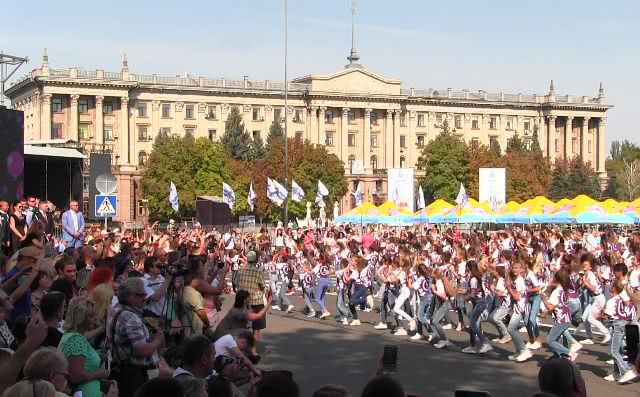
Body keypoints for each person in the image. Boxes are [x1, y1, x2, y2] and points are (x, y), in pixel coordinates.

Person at [107, 277, 164, 397]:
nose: (144, 298)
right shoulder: (130, 317)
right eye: (140, 295)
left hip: (122, 371)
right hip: (134, 376)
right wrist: (158, 340)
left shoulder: (115, 310)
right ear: (128, 296)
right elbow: (141, 350)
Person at [58, 296, 110, 397]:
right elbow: (75, 376)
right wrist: (100, 374)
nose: (94, 320)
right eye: (91, 316)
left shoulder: (71, 335)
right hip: (85, 392)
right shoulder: (76, 340)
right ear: (80, 317)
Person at [236, 251, 267, 356]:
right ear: (256, 260)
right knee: (256, 329)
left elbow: (236, 283)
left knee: (242, 327)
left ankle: (241, 351)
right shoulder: (258, 272)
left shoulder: (241, 270)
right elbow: (262, 287)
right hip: (256, 301)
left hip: (243, 301)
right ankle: (253, 351)